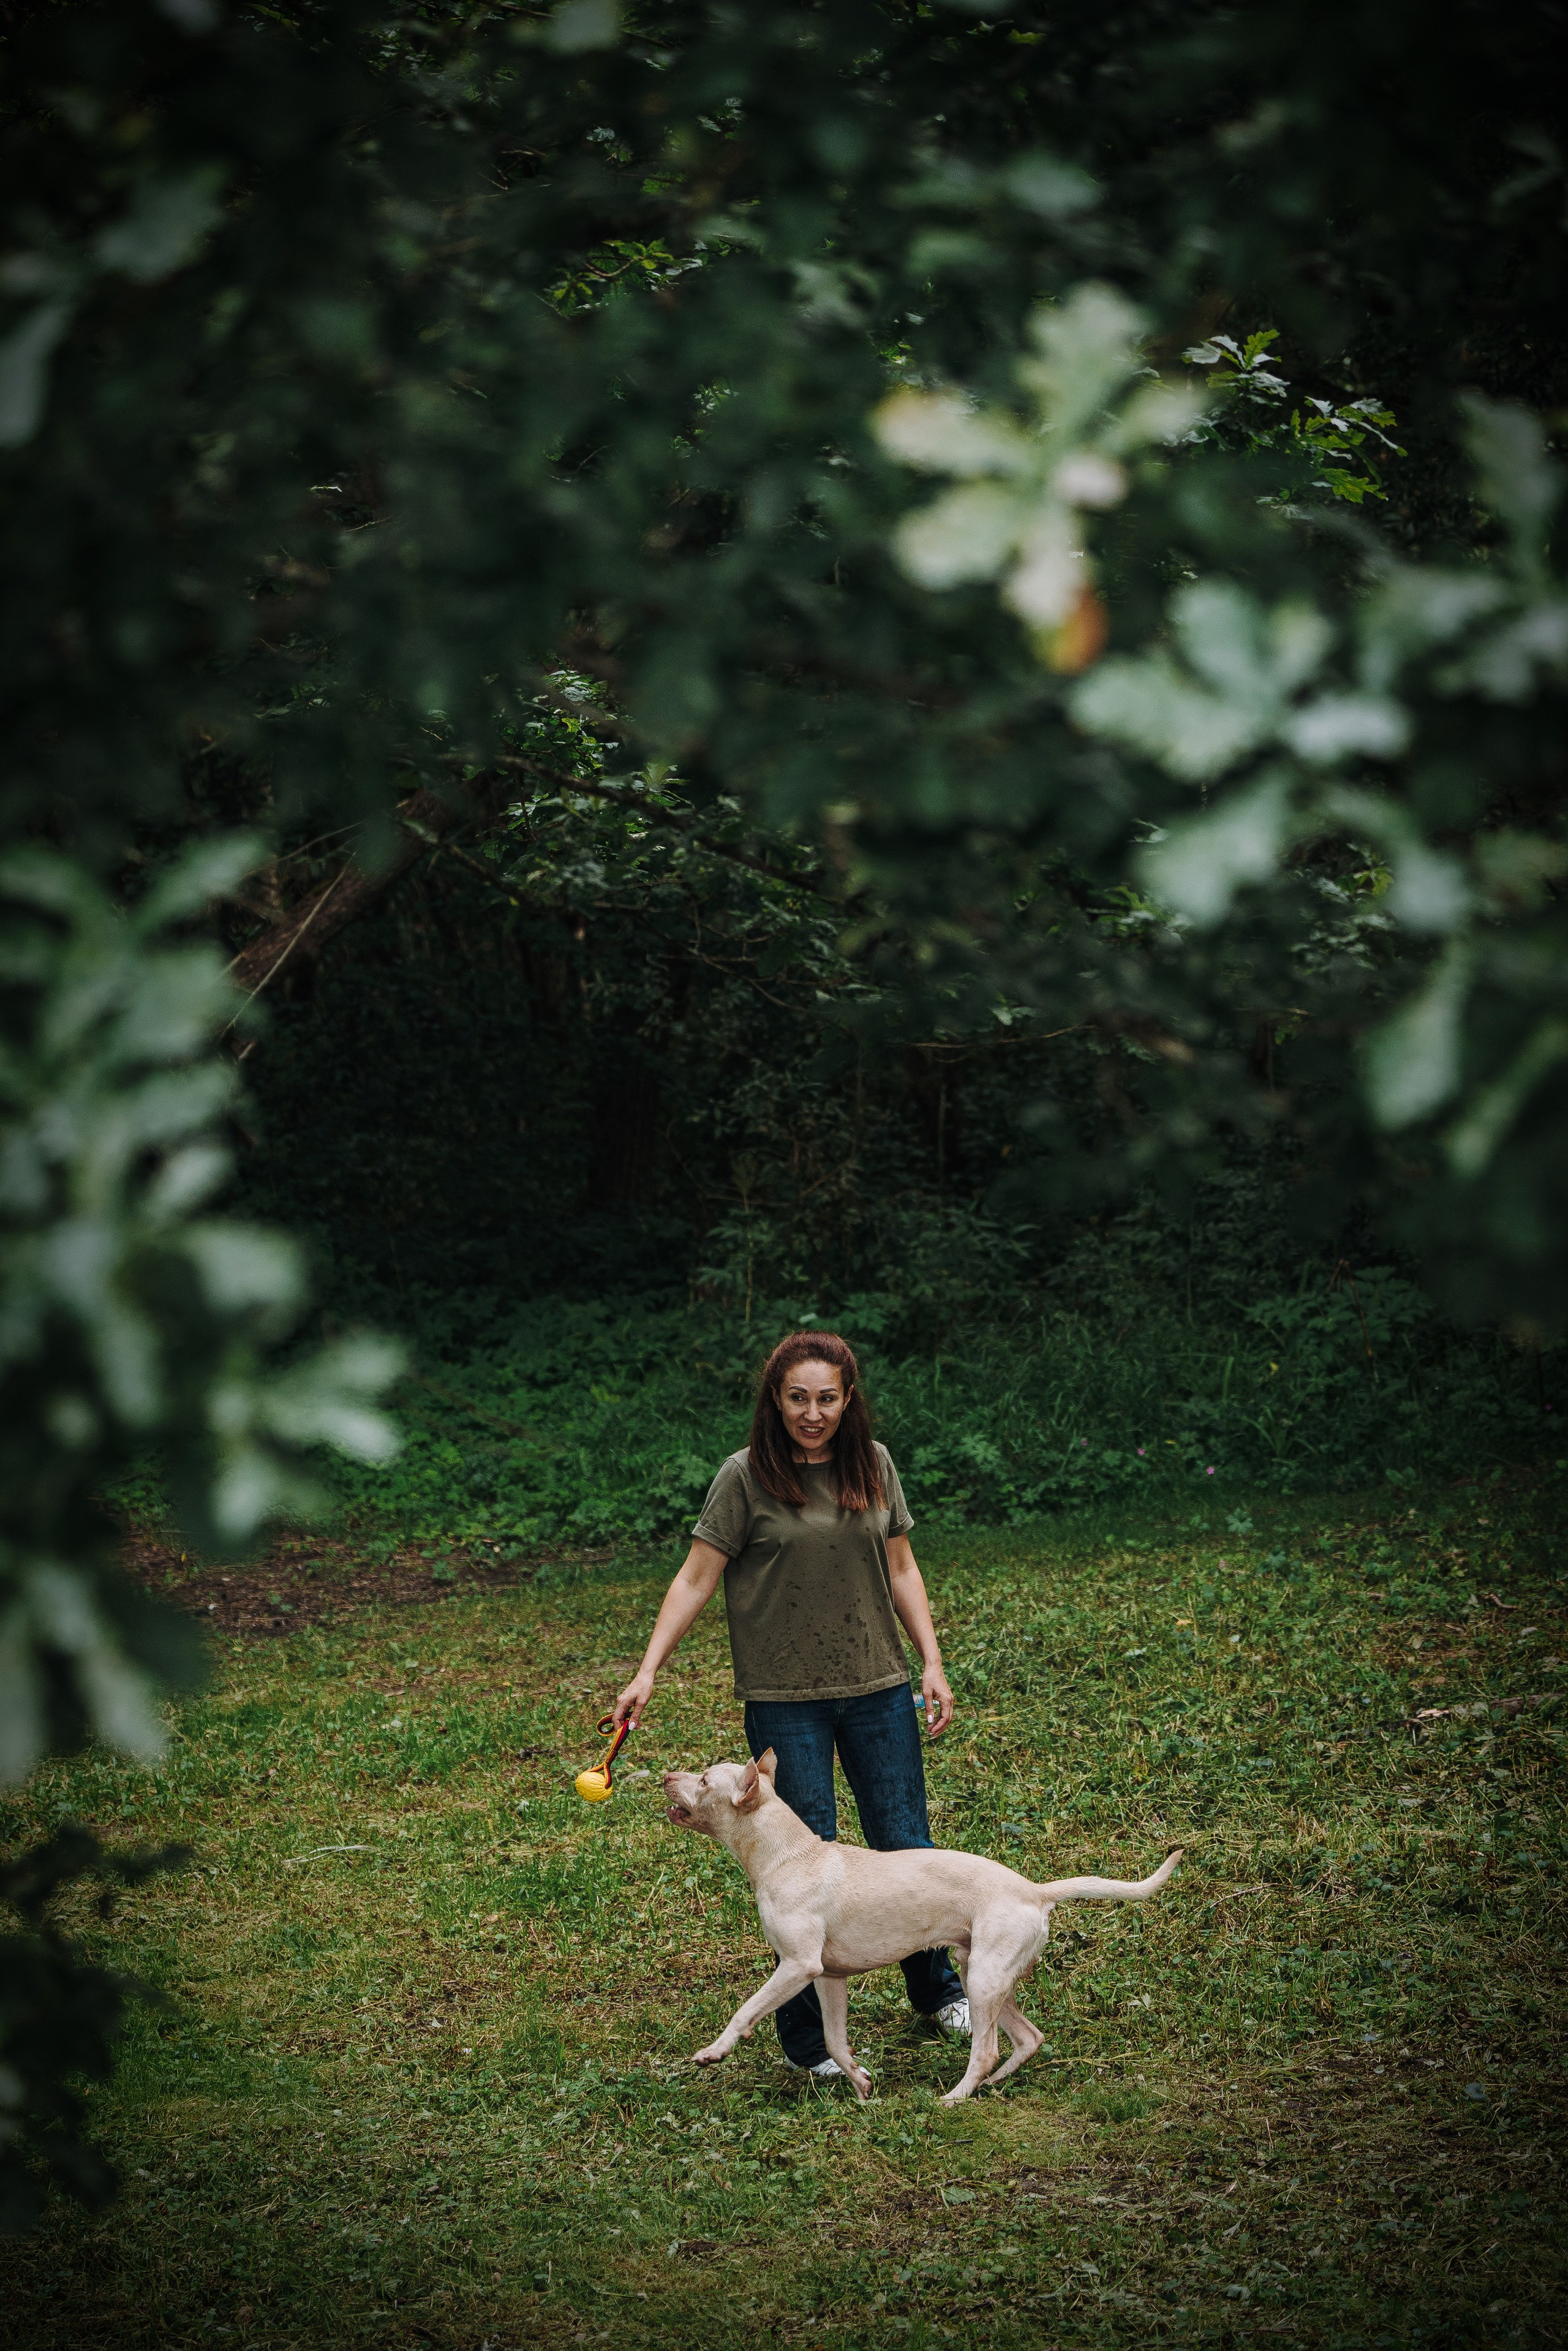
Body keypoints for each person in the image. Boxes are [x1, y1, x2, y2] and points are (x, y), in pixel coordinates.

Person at [612, 1328, 970, 2076]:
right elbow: (693, 1578)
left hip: (878, 1686)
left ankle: (937, 1992)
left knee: (906, 1839)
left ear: (848, 1400)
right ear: (775, 1400)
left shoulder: (870, 1465)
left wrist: (931, 1661)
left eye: (827, 1399)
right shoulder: (743, 1478)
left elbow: (902, 1567)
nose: (813, 1413)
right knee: (799, 1865)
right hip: (785, 1700)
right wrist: (648, 1670)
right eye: (798, 1398)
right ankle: (811, 2049)